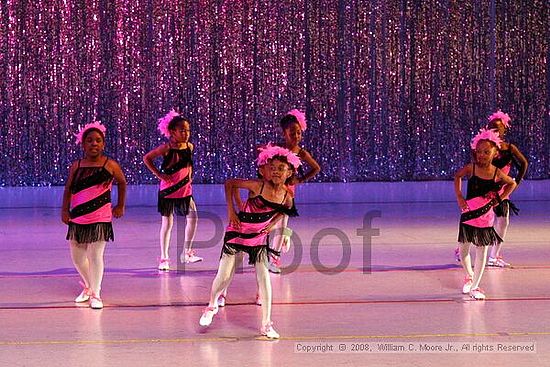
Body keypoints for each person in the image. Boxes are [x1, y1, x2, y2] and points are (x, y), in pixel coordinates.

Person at [199, 145, 300, 339]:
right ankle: (211, 305)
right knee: (225, 275)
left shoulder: (288, 196)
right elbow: (230, 184)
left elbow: (287, 211)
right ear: (267, 170)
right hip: (237, 233)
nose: (276, 171)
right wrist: (231, 211)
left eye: (281, 168)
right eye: (273, 168)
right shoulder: (258, 186)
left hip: (258, 239)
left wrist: (270, 227)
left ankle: (266, 324)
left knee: (264, 278)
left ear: (289, 172)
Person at [62, 121, 127, 309]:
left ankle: (96, 294)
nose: (94, 144)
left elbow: (122, 183)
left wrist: (120, 205)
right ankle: (89, 286)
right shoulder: (77, 166)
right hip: (78, 216)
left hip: (100, 216)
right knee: (77, 255)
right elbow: (68, 189)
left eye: (98, 141)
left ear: (103, 144)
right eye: (89, 141)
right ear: (83, 144)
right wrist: (65, 210)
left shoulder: (110, 165)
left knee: (96, 255)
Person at [454, 128, 516, 300]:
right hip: (468, 215)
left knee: (482, 252)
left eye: (486, 152)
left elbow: (511, 183)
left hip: (485, 218)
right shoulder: (471, 168)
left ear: (494, 153)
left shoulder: (496, 173)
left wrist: (500, 198)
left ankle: (475, 286)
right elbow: (458, 176)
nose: (481, 155)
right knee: (463, 250)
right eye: (479, 152)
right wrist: (460, 197)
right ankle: (469, 275)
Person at [143, 110, 201, 271]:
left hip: (185, 190)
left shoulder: (190, 146)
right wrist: (159, 174)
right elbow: (147, 158)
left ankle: (187, 252)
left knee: (193, 217)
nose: (186, 133)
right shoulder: (166, 148)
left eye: (188, 130)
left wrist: (188, 179)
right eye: (182, 130)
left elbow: (188, 167)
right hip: (168, 191)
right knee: (167, 223)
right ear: (172, 132)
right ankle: (164, 257)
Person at [268, 109, 320, 273]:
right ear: (284, 133)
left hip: (287, 194)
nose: (296, 136)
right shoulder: (277, 149)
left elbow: (316, 168)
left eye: (298, 133)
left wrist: (300, 179)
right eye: (292, 133)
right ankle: (285, 238)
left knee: (281, 224)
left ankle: (274, 259)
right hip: (273, 192)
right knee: (272, 224)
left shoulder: (301, 152)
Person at [485, 111, 528, 267]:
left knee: (503, 221)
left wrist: (516, 181)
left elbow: (524, 163)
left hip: (502, 192)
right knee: (482, 222)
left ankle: (494, 256)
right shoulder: (484, 147)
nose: (495, 131)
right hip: (485, 191)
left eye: (498, 129)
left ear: (504, 130)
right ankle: (462, 247)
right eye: (492, 128)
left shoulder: (509, 148)